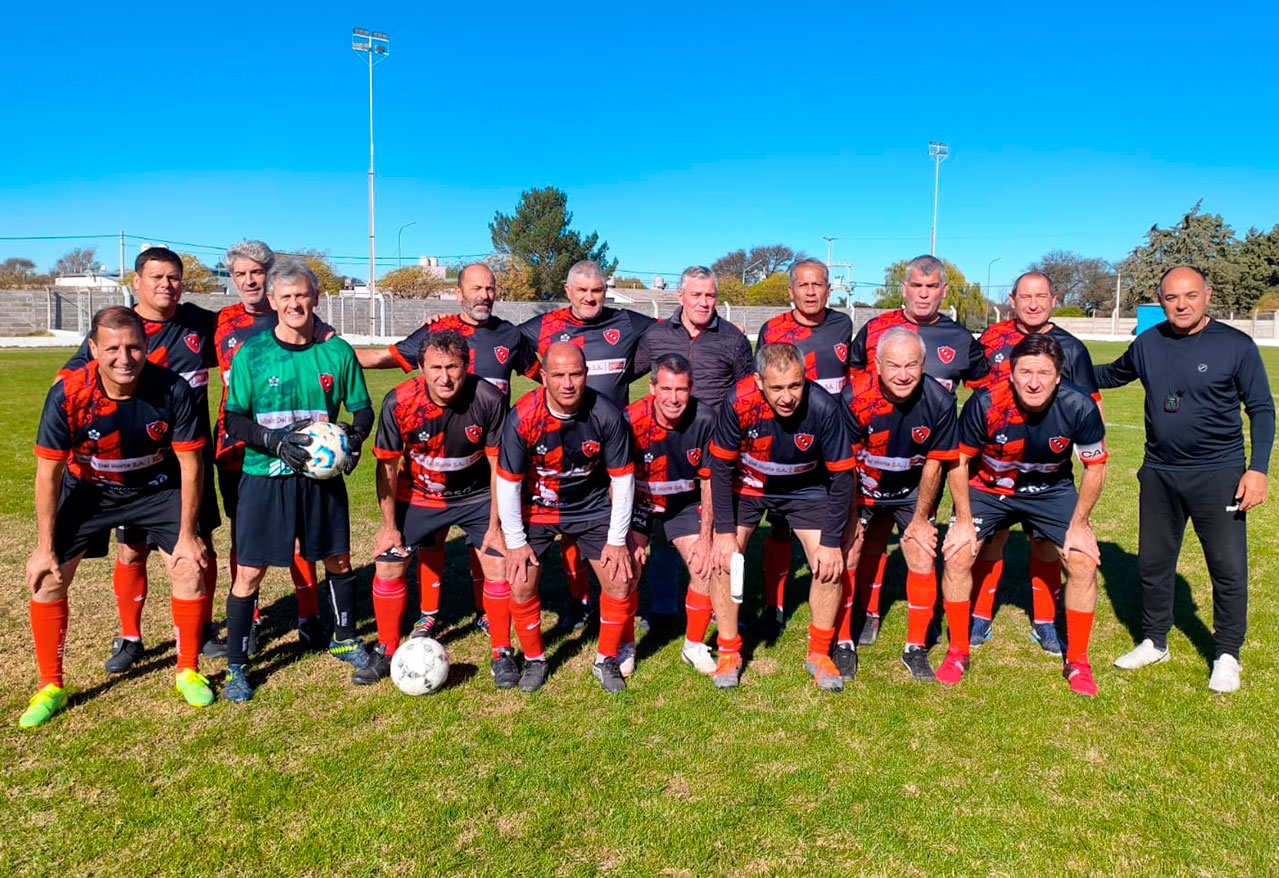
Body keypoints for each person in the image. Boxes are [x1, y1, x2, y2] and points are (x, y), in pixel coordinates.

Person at [22, 307, 212, 727]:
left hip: (157, 488)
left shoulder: (172, 388)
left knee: (188, 567)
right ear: (93, 349)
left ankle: (188, 669)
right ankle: (50, 686)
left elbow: (191, 465)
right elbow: (48, 474)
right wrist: (43, 548)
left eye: (133, 347)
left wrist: (187, 535)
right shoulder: (68, 393)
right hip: (90, 491)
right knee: (47, 578)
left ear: (146, 346)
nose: (123, 358)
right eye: (112, 349)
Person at [1097, 265, 1273, 693]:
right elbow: (1110, 375)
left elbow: (1261, 408)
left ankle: (1227, 654)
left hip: (1220, 473)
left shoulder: (1236, 345)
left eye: (1190, 295)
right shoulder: (1148, 343)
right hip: (1160, 473)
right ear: (1161, 301)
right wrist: (1053, 362)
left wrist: (1258, 469)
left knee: (1227, 568)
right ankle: (1155, 641)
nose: (1181, 305)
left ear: (1207, 295)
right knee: (1154, 564)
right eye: (1172, 297)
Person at [61, 247, 224, 671]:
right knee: (132, 550)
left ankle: (203, 629)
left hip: (188, 461)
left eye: (173, 277)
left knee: (199, 547)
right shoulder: (120, 330)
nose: (166, 285)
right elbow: (71, 379)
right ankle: (130, 636)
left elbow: (248, 330)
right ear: (137, 282)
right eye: (156, 277)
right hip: (133, 461)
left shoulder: (199, 323)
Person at [220, 257, 374, 702]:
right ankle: (236, 666)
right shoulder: (252, 354)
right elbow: (233, 418)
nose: (294, 304)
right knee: (250, 571)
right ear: (272, 300)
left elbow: (362, 409)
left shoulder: (337, 353)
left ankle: (344, 637)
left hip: (320, 478)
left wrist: (353, 438)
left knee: (338, 559)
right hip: (264, 477)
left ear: (315, 298)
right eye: (286, 296)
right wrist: (272, 440)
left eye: (302, 295)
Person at [359, 263, 540, 638]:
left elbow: (544, 375)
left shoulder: (510, 334)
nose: (484, 296)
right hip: (432, 459)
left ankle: (485, 611)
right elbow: (383, 358)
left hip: (486, 459)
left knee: (487, 544)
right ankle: (428, 613)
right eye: (476, 288)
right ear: (458, 293)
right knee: (433, 539)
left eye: (490, 288)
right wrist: (325, 351)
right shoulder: (436, 331)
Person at [937, 334, 1108, 695]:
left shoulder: (1079, 405)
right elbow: (959, 462)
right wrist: (963, 521)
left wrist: (1079, 525)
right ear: (1011, 374)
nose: (1034, 382)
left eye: (1044, 373)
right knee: (957, 554)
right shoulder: (985, 402)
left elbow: (1095, 467)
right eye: (1025, 372)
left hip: (1050, 491)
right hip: (988, 488)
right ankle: (958, 651)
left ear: (1058, 376)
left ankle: (1078, 661)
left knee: (1082, 561)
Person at [847, 253, 989, 645]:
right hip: (872, 459)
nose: (923, 294)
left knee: (918, 538)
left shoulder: (960, 338)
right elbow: (853, 386)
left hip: (925, 463)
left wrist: (967, 440)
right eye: (916, 286)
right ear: (904, 288)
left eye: (931, 287)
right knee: (871, 538)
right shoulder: (874, 329)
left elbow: (984, 397)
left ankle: (922, 621)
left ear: (944, 290)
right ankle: (869, 612)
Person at [707, 343, 856, 691]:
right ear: (759, 381)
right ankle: (729, 652)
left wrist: (831, 542)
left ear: (805, 379)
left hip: (805, 489)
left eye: (795, 385)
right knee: (724, 560)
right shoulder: (737, 401)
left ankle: (819, 653)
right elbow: (721, 468)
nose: (787, 397)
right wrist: (724, 533)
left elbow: (842, 476)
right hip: (749, 486)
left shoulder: (823, 406)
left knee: (828, 563)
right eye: (777, 387)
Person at [365, 329, 510, 686]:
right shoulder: (399, 402)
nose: (444, 377)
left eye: (452, 367)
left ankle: (502, 653)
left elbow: (499, 467)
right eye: (435, 368)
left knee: (499, 562)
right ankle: (386, 649)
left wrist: (496, 526)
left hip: (476, 495)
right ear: (421, 368)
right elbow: (387, 468)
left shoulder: (488, 399)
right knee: (388, 563)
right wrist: (389, 528)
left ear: (466, 366)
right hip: (419, 494)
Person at [966, 271, 1101, 648]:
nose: (1033, 304)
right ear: (1012, 300)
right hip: (993, 466)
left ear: (1054, 300)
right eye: (1025, 296)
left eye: (1041, 296)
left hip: (1046, 470)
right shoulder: (992, 339)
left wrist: (1091, 452)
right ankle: (979, 616)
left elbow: (1091, 408)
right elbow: (974, 393)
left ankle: (1044, 621)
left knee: (1044, 544)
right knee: (991, 541)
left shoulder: (1071, 348)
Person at [518, 261, 655, 631]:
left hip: (613, 446)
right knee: (569, 528)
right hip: (563, 443)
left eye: (597, 290)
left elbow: (673, 331)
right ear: (568, 291)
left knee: (623, 526)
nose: (590, 297)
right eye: (582, 290)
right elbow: (498, 341)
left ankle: (628, 605)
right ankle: (580, 602)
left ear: (606, 291)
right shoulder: (543, 327)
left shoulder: (627, 322)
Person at [495, 343, 637, 693]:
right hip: (537, 508)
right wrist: (516, 543)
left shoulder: (606, 414)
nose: (568, 383)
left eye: (575, 374)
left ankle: (605, 659)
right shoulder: (522, 417)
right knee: (520, 581)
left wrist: (617, 540)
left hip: (591, 507)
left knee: (619, 579)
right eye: (558, 375)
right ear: (543, 376)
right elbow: (508, 484)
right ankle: (535, 659)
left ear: (586, 374)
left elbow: (623, 480)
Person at [214, 240, 324, 654]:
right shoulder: (221, 321)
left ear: (271, 276)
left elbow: (338, 356)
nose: (248, 281)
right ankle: (252, 620)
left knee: (300, 535)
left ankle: (309, 616)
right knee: (244, 538)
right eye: (240, 274)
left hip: (294, 441)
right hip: (238, 447)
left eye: (256, 272)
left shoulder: (302, 318)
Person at [633, 266, 753, 626]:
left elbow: (747, 393)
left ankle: (722, 607)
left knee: (720, 530)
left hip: (717, 448)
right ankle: (663, 605)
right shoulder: (656, 335)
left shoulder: (732, 338)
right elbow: (626, 373)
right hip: (664, 446)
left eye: (710, 295)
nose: (703, 302)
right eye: (696, 294)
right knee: (661, 529)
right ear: (680, 296)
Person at [840, 327, 961, 682]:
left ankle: (915, 647)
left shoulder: (940, 401)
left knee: (922, 552)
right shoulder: (854, 396)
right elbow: (845, 464)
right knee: (851, 550)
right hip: (862, 487)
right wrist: (851, 518)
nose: (903, 374)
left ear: (923, 364)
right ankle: (844, 641)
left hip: (912, 490)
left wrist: (921, 519)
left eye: (911, 365)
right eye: (894, 365)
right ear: (877, 365)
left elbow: (936, 463)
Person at [753, 259, 854, 638]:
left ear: (829, 289)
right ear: (791, 291)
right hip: (786, 440)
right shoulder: (773, 329)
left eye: (818, 284)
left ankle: (841, 616)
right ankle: (774, 605)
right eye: (803, 285)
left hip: (830, 442)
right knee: (779, 527)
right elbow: (764, 385)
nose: (811, 292)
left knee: (836, 528)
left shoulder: (843, 324)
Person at [624, 354, 718, 675]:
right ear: (652, 387)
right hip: (639, 503)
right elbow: (615, 482)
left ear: (691, 388)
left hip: (682, 504)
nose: (674, 398)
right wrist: (624, 536)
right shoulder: (630, 419)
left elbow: (709, 482)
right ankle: (625, 645)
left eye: (681, 389)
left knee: (704, 565)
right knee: (625, 568)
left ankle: (694, 645)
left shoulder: (705, 419)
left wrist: (706, 539)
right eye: (666, 389)